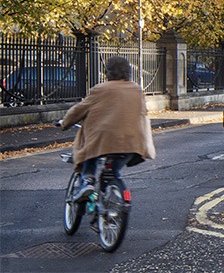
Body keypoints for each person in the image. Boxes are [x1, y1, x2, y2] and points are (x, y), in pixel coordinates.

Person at [60, 56, 156, 201]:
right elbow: (142, 113)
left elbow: (79, 110)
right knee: (113, 173)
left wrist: (64, 123)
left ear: (107, 72)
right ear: (128, 71)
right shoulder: (137, 90)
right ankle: (108, 203)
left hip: (103, 140)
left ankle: (88, 181)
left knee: (89, 150)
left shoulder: (100, 89)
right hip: (132, 142)